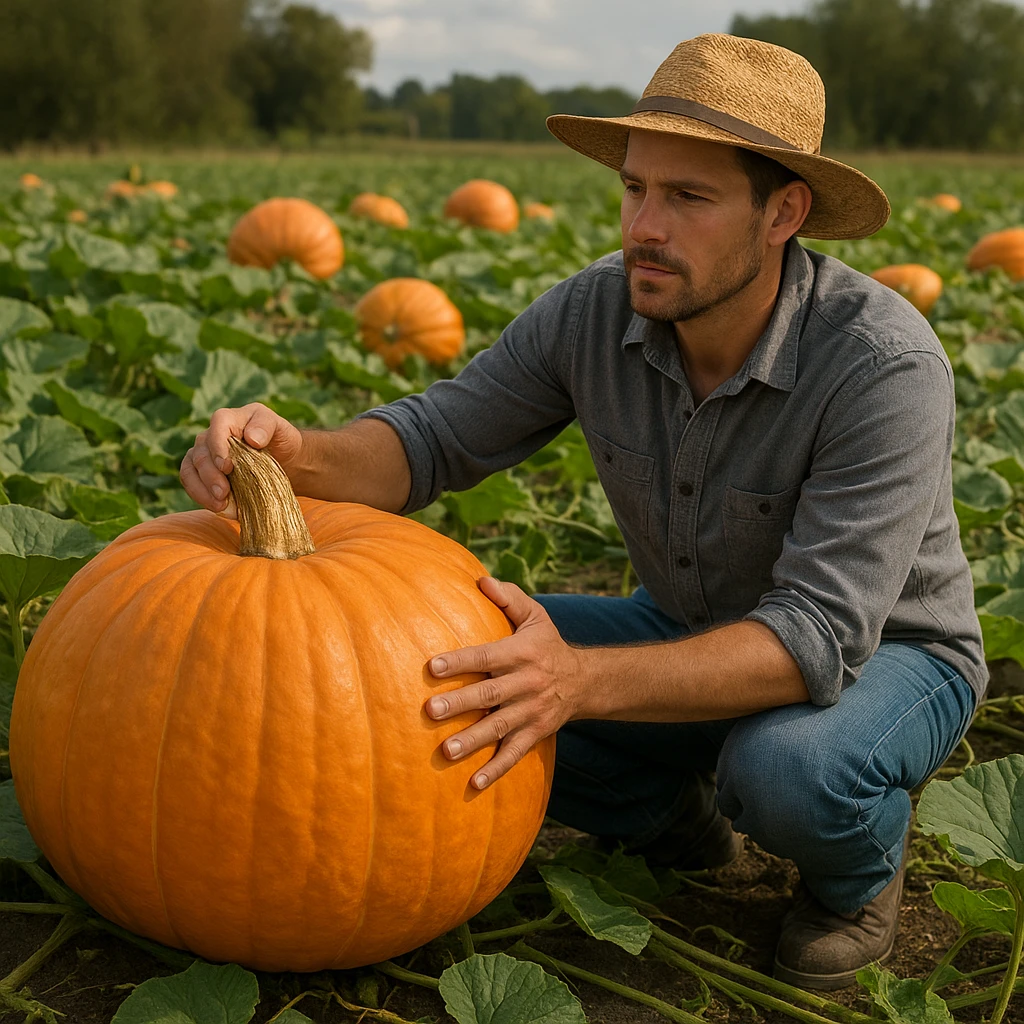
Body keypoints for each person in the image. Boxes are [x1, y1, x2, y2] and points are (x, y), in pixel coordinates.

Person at [180, 33, 987, 991]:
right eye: (636, 188)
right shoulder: (593, 314)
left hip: (890, 656)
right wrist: (299, 454)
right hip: (691, 624)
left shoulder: (882, 366)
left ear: (784, 212)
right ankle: (678, 822)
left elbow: (814, 637)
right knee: (432, 676)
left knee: (788, 770)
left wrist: (576, 681)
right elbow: (433, 441)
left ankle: (855, 881)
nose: (646, 224)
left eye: (689, 198)